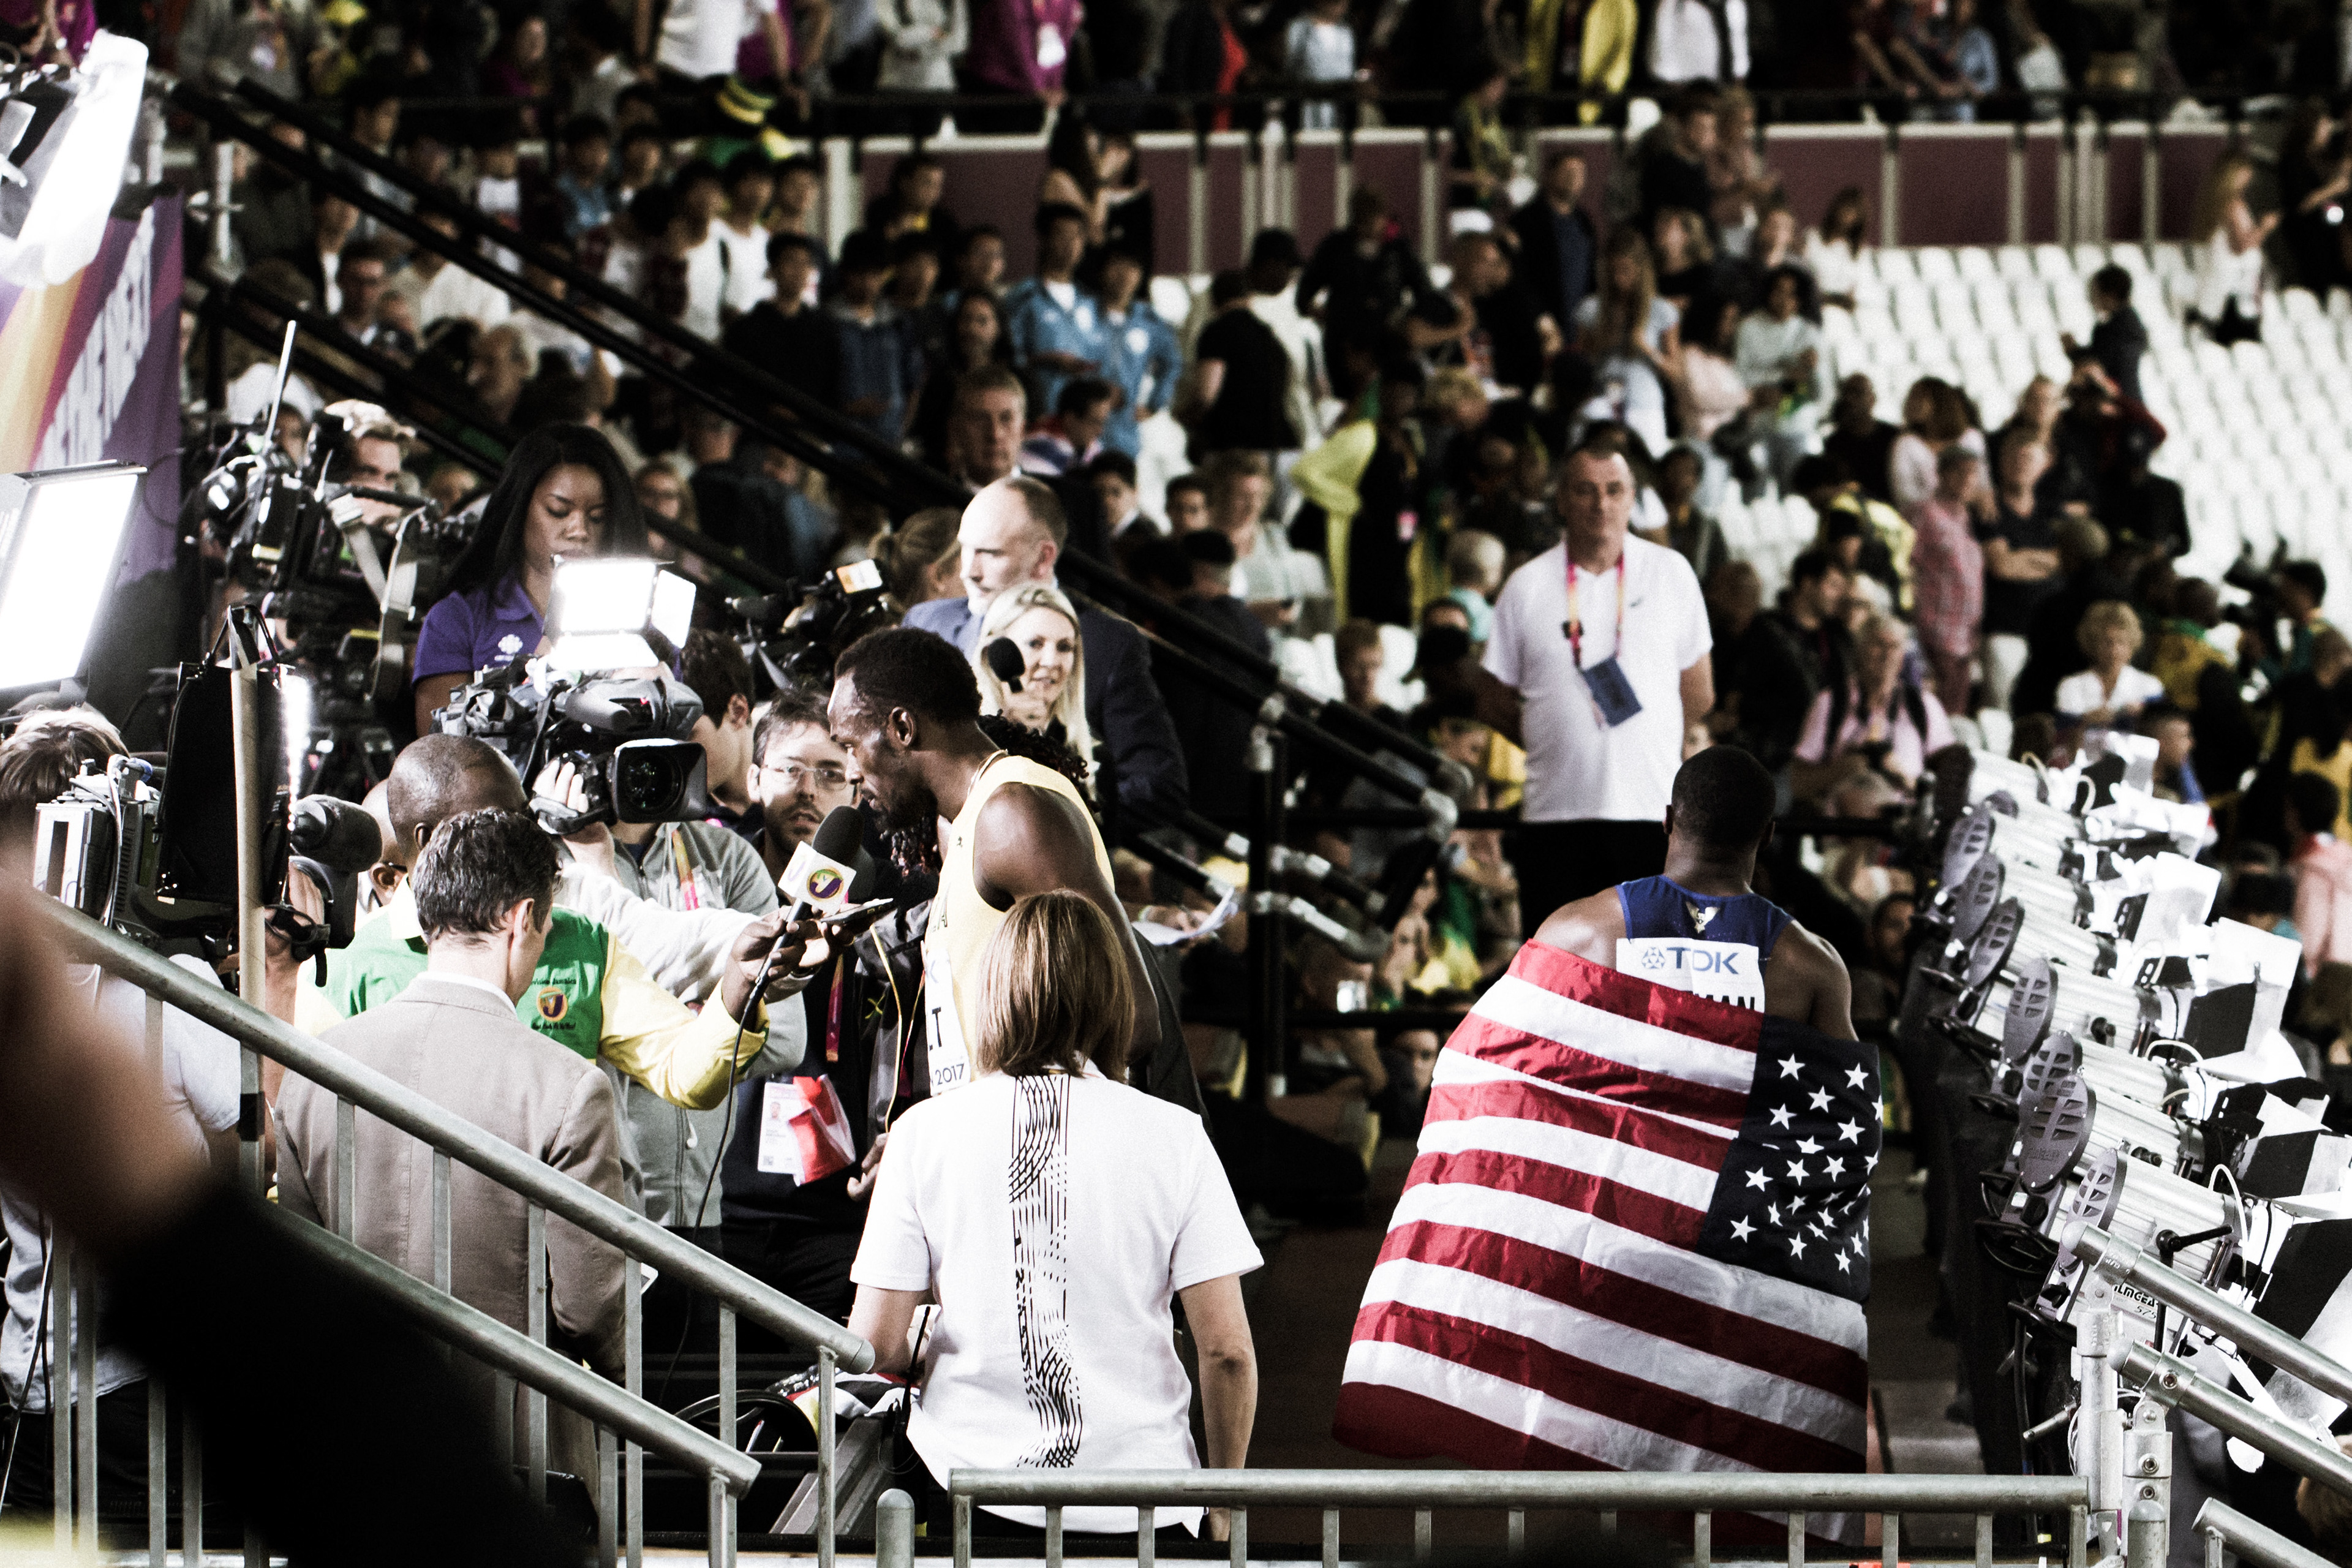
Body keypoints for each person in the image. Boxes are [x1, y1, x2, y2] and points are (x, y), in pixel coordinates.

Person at [848, 890, 1258, 1540]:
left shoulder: (923, 1132)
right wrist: (1224, 1502)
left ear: (993, 992)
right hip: (1147, 1500)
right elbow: (1228, 1351)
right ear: (1112, 997)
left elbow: (873, 1341)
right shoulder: (1175, 1135)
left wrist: (925, 1337)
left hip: (973, 1491)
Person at [276, 809, 630, 1475]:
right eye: (546, 926)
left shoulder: (316, 1070)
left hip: (354, 1441)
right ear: (523, 919)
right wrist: (624, 1375)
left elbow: (299, 1277)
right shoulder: (567, 1086)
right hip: (517, 1453)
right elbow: (588, 1309)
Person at [313, 736, 805, 1112]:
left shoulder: (580, 937)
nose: (529, 836)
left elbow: (685, 1072)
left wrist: (739, 988)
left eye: (526, 816)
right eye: (498, 821)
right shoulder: (353, 969)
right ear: (430, 838)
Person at [828, 628, 1172, 1094]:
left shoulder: (1011, 815)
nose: (850, 770)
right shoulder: (963, 822)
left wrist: (990, 1126)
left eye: (850, 745)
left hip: (1037, 1153)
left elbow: (1130, 1020)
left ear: (903, 729)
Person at [1476, 440, 1713, 937]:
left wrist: (1647, 738)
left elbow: (1699, 692)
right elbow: (1493, 698)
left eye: (1613, 490)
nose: (1600, 504)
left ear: (1631, 499)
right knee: (1557, 982)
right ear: (1561, 499)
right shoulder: (1528, 585)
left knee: (1646, 979)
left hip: (1650, 812)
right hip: (1554, 816)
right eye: (1585, 491)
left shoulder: (1671, 574)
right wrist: (1552, 735)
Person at [722, 691, 903, 1323]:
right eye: (791, 769)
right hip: (720, 1214)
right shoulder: (714, 887)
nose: (809, 790)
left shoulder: (887, 911)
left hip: (834, 1216)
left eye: (831, 773)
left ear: (855, 791)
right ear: (752, 778)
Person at [902, 476, 1189, 826]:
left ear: (1043, 558)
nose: (968, 572)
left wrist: (1060, 815)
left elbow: (1158, 786)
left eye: (989, 553)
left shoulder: (1106, 644)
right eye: (965, 548)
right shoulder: (928, 623)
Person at [1535, 747, 1853, 1033]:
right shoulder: (1811, 963)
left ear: (1669, 819)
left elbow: (1511, 1056)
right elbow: (1850, 1090)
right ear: (1767, 835)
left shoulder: (1576, 932)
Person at [412, 424, 647, 735]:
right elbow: (438, 754)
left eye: (598, 517)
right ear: (519, 510)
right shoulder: (458, 618)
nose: (579, 531)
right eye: (558, 511)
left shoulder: (640, 618)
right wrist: (537, 673)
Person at [1790, 611, 1956, 812]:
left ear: (1903, 656)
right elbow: (1797, 785)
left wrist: (1904, 778)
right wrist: (1844, 769)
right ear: (1860, 650)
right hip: (1841, 829)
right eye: (1879, 645)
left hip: (1903, 829)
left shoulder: (1923, 706)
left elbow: (1951, 781)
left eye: (1894, 647)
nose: (1886, 655)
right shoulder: (1831, 703)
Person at [973, 582, 1096, 782]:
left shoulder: (1092, 757)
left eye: (1064, 647)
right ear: (993, 653)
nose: (1051, 661)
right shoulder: (962, 740)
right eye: (1035, 644)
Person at [1573, 230, 1679, 454]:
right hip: (1604, 395)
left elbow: (1676, 373)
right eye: (1614, 271)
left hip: (1644, 401)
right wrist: (1603, 342)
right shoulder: (1592, 309)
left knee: (1646, 464)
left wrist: (1647, 349)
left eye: (1627, 271)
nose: (1619, 279)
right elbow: (1576, 363)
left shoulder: (1661, 311)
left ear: (1641, 271)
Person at [1003, 203, 1106, 417]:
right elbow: (1007, 357)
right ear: (1045, 240)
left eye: (1077, 236)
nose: (1071, 244)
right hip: (1038, 412)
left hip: (1081, 419)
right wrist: (1048, 360)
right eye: (1062, 235)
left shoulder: (1091, 301)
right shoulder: (1024, 297)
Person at [1186, 270, 1299, 459]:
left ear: (1214, 302)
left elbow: (1206, 395)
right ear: (1249, 298)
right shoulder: (1270, 337)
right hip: (1282, 443)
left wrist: (1185, 418)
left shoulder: (1216, 333)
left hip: (1235, 448)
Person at [722, 233, 841, 409]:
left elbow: (832, 385)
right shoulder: (747, 328)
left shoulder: (824, 328)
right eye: (791, 261)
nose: (799, 271)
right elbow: (737, 385)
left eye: (805, 263)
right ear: (773, 269)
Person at [1909, 445, 1986, 715]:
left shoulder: (1965, 516)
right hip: (1935, 628)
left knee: (1956, 713)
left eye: (1973, 473)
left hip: (1965, 632)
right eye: (1960, 472)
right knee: (1935, 710)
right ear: (1941, 474)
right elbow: (1910, 565)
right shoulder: (1926, 513)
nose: (1967, 480)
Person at [2191, 152, 2275, 345]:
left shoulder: (2219, 203)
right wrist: (2264, 227)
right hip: (2236, 286)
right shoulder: (2232, 205)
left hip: (2230, 284)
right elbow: (2240, 246)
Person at [1511, 151, 1597, 333]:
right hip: (1542, 325)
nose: (1574, 178)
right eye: (1568, 172)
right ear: (1551, 174)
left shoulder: (1584, 222)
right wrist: (1538, 314)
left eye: (1580, 173)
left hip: (1581, 326)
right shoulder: (1527, 221)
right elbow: (1518, 275)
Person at [2054, 600, 2163, 736]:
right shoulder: (2071, 686)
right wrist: (2085, 721)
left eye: (2121, 642)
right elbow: (2061, 736)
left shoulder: (2150, 686)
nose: (2114, 651)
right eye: (2107, 643)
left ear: (2132, 645)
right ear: (2093, 645)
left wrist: (2142, 717)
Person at [2064, 264, 2147, 406]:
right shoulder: (2131, 324)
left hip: (2117, 401)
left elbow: (2100, 362)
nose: (2091, 298)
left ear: (2110, 294)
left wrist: (2074, 352)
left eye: (2095, 292)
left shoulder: (2114, 328)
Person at [1821, 374, 1899, 505]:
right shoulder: (1835, 443)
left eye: (1857, 393)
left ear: (1872, 399)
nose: (1850, 399)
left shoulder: (1894, 437)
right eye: (1846, 393)